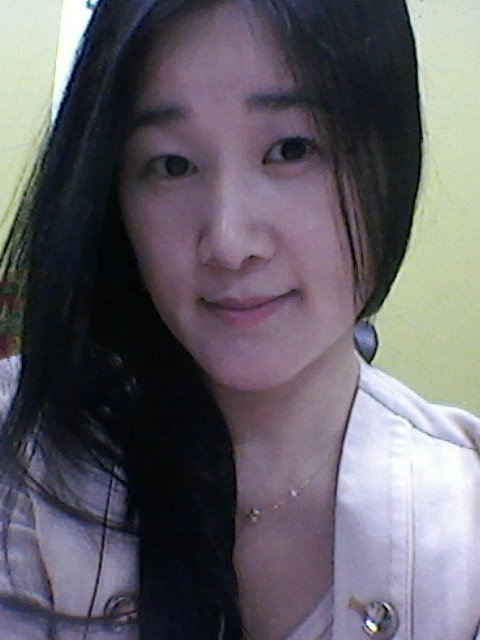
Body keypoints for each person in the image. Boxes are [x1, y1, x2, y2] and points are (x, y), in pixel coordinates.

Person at [0, 0, 479, 638]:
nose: (229, 243)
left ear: (391, 162)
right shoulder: (21, 456)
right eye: (172, 165)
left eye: (291, 149)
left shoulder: (459, 525)